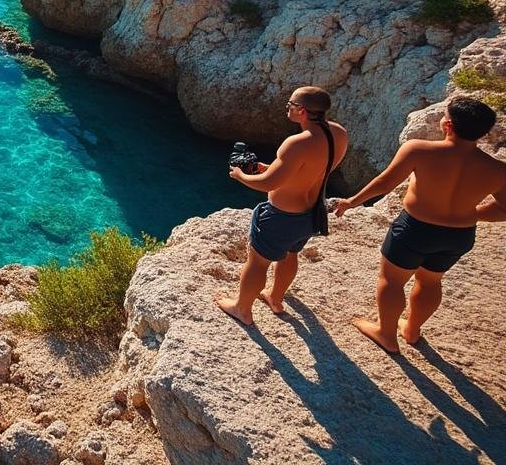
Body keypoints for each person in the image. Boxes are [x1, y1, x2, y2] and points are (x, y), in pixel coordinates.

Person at [333, 96, 506, 354]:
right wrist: (470, 214)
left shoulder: (419, 150)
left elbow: (385, 183)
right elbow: (503, 209)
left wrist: (351, 202)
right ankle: (412, 331)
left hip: (415, 229)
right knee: (430, 282)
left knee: (392, 281)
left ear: (447, 125)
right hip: (459, 236)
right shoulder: (498, 170)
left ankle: (386, 334)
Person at [217, 86, 349, 326]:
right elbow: (308, 169)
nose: (287, 108)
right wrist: (267, 167)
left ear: (302, 111)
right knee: (290, 254)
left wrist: (241, 176)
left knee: (258, 261)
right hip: (311, 213)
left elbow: (269, 183)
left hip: (282, 216)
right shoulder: (338, 134)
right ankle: (275, 298)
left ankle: (242, 309)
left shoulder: (296, 143)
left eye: (289, 104)